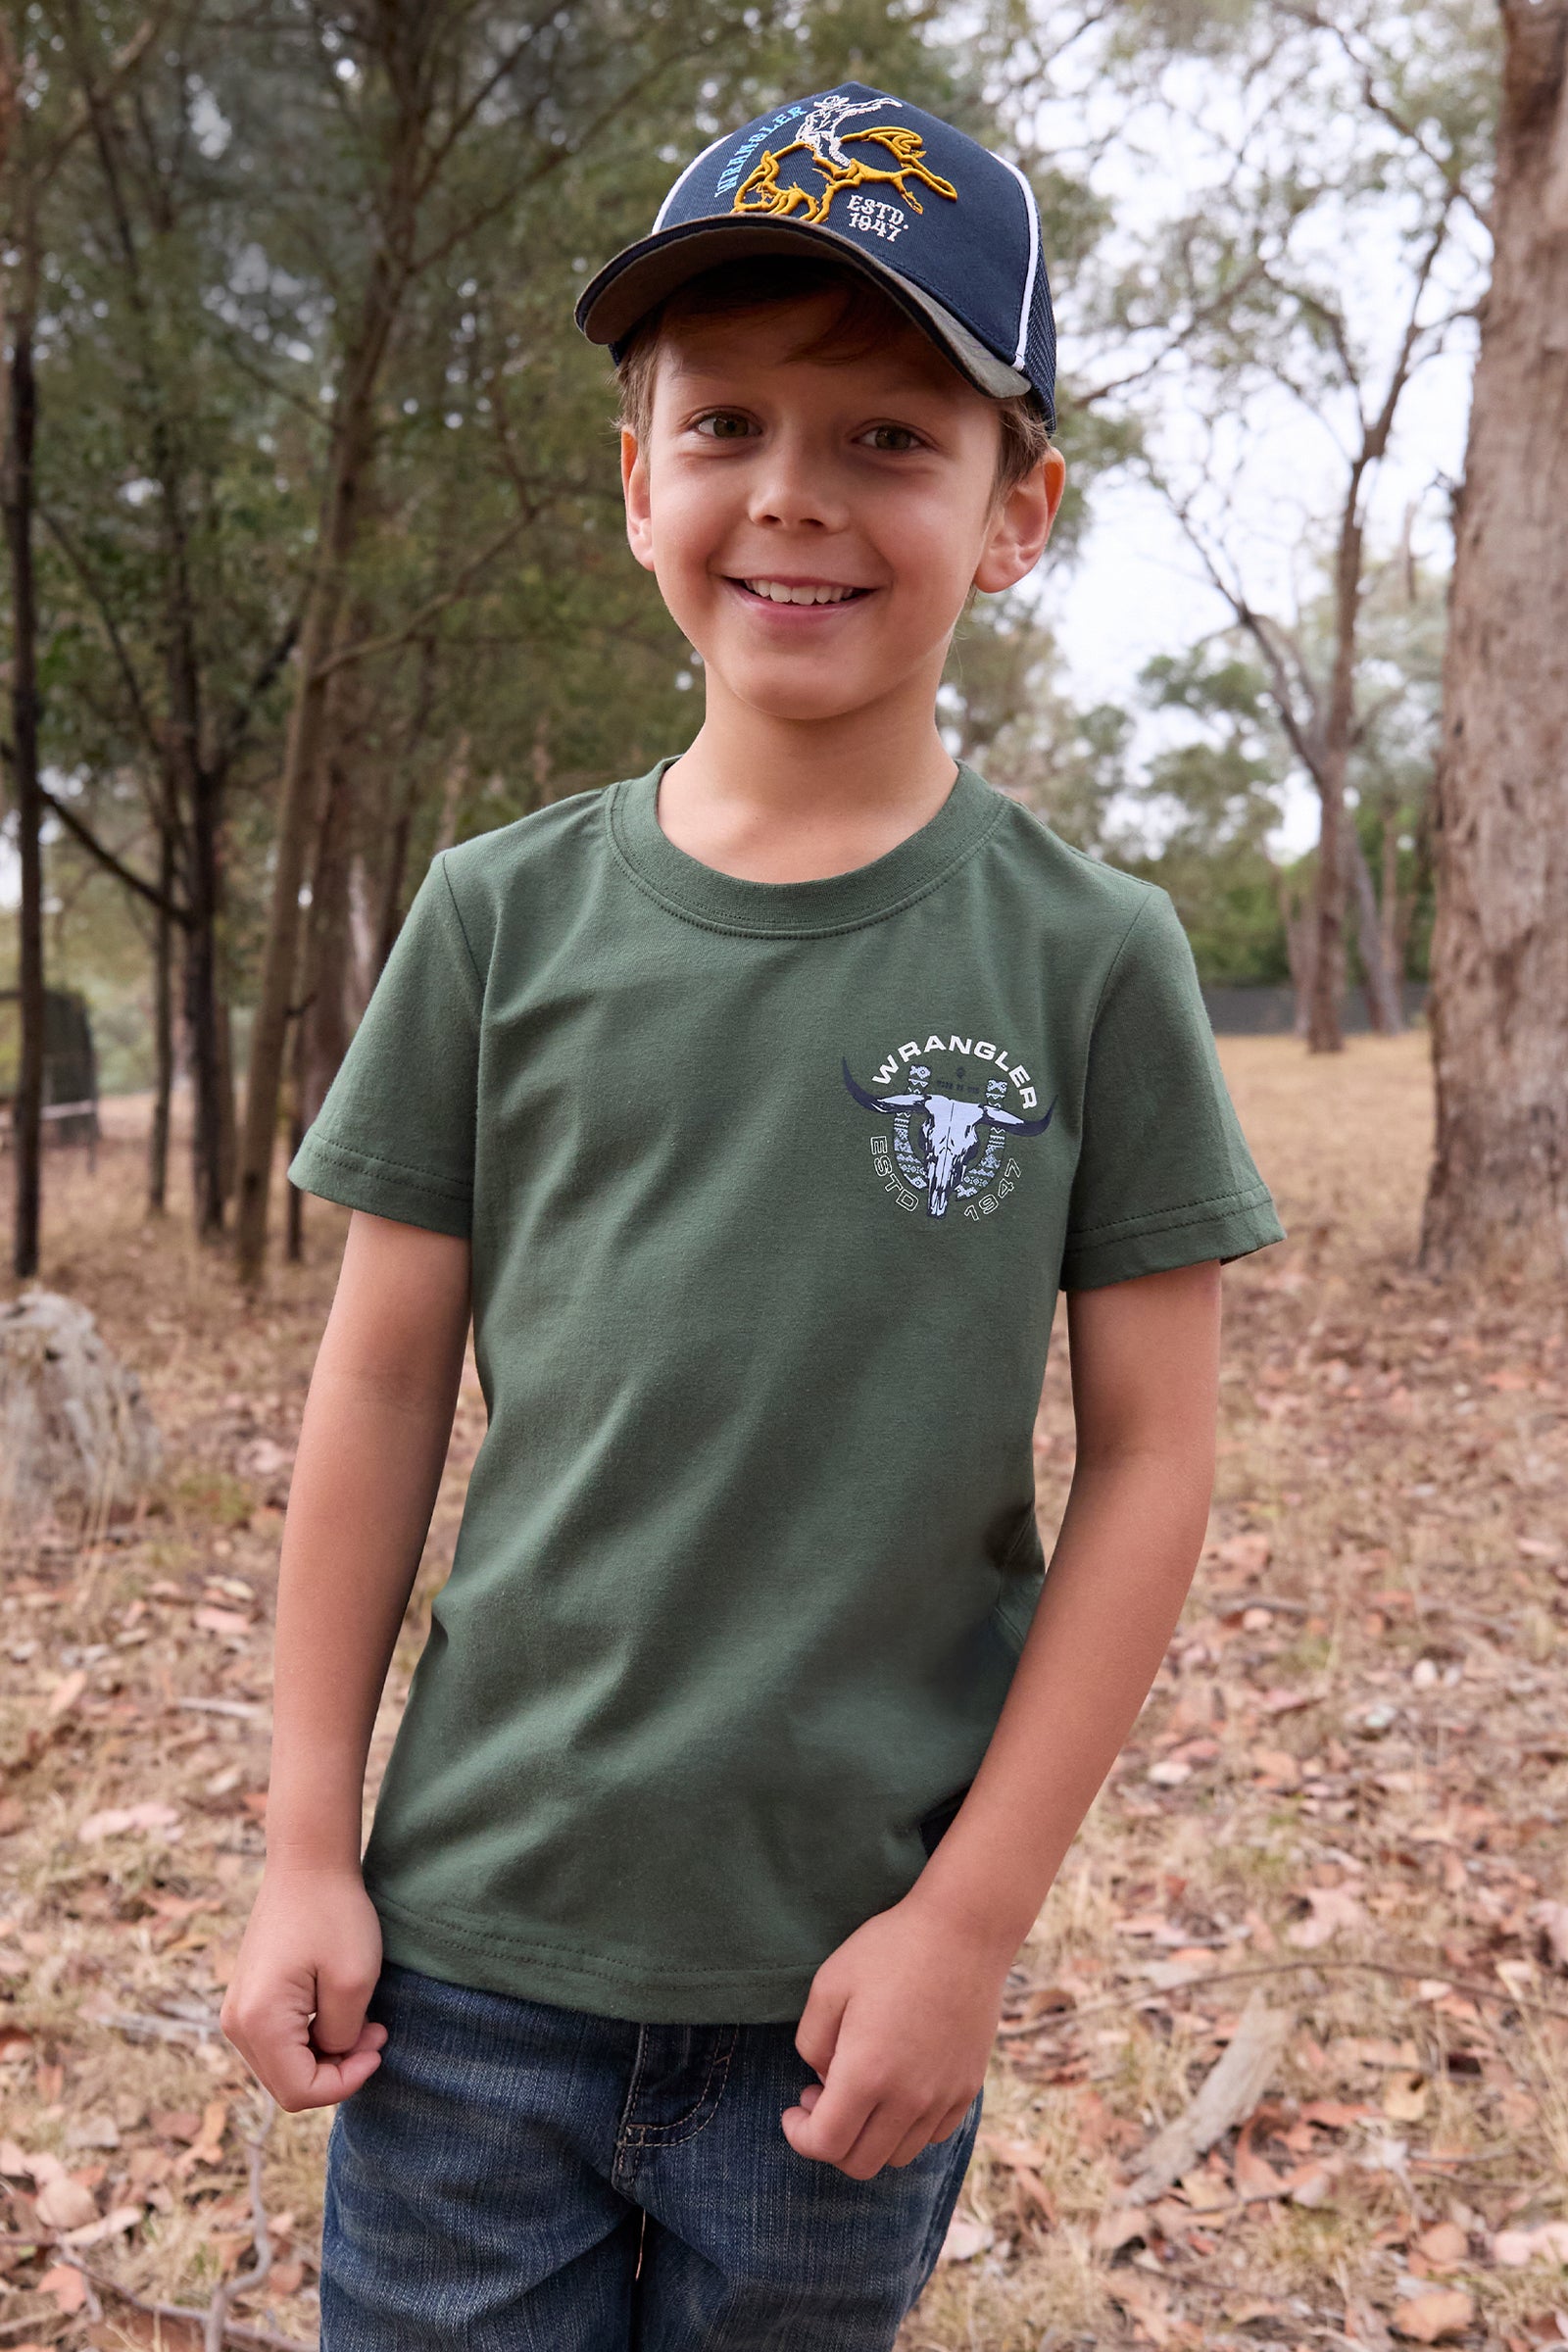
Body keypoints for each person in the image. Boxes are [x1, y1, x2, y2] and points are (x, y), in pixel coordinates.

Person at [220, 77, 1284, 2351]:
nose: (792, 492)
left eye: (890, 436)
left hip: (842, 1996)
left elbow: (1156, 1458)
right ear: (636, 478)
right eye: (723, 422)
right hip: (468, 1963)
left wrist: (967, 1932)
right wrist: (310, 1840)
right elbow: (383, 1380)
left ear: (1017, 512)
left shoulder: (1087, 959)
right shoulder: (495, 920)